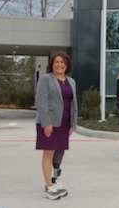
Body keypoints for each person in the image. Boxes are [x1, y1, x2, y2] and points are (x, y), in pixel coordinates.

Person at [35, 52, 78, 200]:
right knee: (48, 153)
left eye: (62, 62)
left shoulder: (71, 81)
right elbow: (41, 102)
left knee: (58, 152)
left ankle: (53, 182)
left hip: (64, 123)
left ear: (67, 65)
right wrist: (46, 123)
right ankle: (48, 187)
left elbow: (73, 104)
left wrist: (73, 124)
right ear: (52, 65)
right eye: (56, 62)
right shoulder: (46, 79)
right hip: (49, 123)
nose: (59, 65)